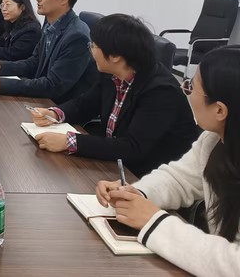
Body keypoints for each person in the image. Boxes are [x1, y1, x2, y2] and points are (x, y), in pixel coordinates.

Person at [95, 46, 240, 277]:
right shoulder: (213, 140)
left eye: (191, 86)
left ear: (220, 110)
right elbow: (178, 179)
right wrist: (136, 193)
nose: (185, 90)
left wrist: (155, 222)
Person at [29, 14, 198, 177]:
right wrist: (54, 114)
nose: (91, 51)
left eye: (93, 46)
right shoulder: (112, 73)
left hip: (148, 175)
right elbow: (85, 104)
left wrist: (69, 141)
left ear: (116, 56)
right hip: (115, 165)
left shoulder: (160, 92)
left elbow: (133, 147)